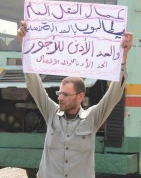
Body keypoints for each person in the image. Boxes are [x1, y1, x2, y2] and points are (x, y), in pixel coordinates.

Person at [18, 21, 133, 178]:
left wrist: (123, 57)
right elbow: (33, 83)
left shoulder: (92, 118)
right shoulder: (51, 112)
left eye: (66, 94)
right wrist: (25, 46)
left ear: (80, 97)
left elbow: (114, 94)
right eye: (60, 93)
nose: (60, 98)